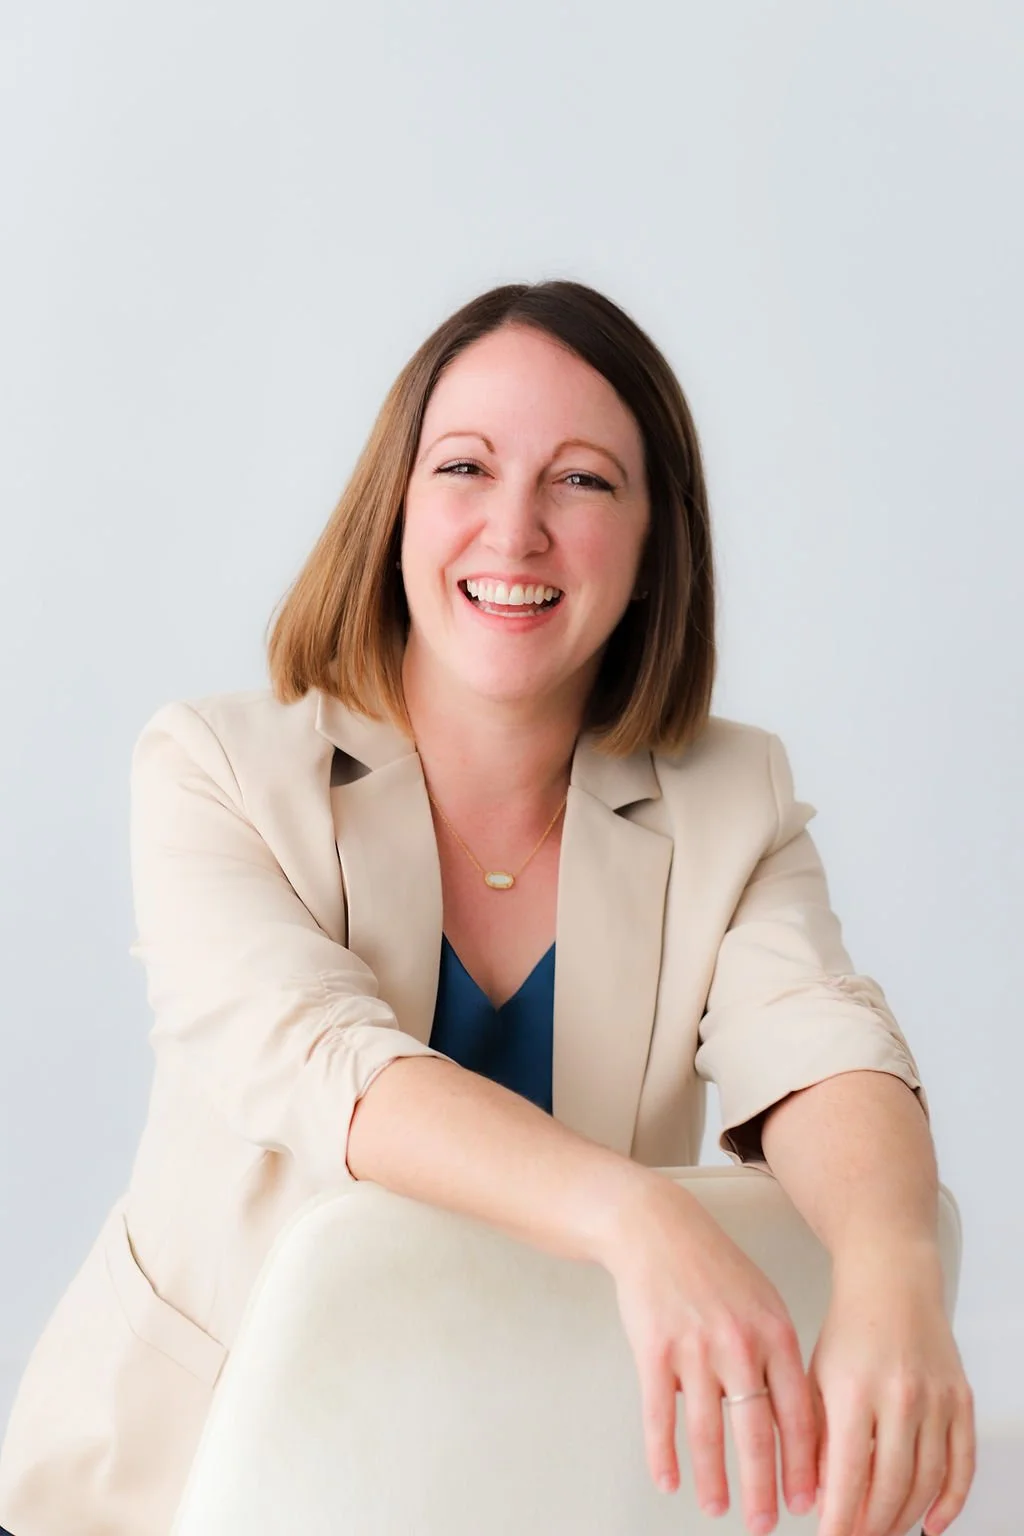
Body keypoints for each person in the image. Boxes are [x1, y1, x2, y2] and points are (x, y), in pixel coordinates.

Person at [0, 280, 974, 1536]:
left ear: (650, 544)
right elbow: (323, 1063)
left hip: (514, 1479)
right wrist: (637, 1214)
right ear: (395, 509)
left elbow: (816, 1034)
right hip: (181, 1481)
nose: (515, 531)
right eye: (465, 466)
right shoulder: (214, 769)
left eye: (582, 481)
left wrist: (893, 1272)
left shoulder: (731, 798)